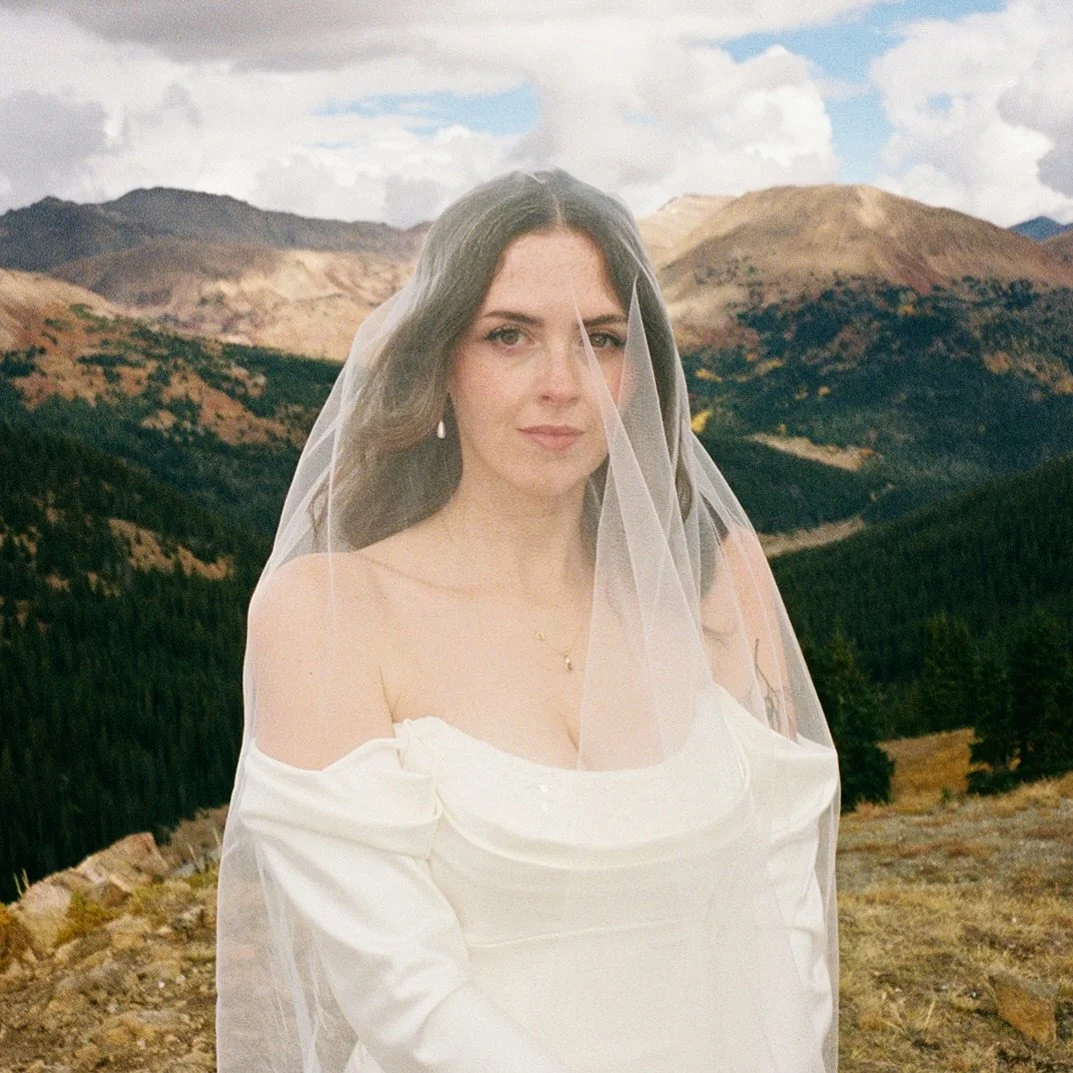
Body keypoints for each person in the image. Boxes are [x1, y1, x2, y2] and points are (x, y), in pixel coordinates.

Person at [215, 169, 841, 1073]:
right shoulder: (332, 613)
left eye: (601, 338)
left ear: (639, 370)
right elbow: (407, 998)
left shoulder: (718, 587)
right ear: (440, 361)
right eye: (508, 336)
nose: (563, 383)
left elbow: (785, 919)